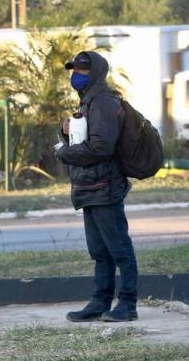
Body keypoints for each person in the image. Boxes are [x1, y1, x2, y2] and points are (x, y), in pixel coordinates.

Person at [55, 51, 139, 323]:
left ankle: (127, 304)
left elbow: (101, 147)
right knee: (100, 253)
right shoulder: (88, 101)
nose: (76, 75)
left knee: (119, 250)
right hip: (90, 188)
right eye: (74, 70)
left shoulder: (102, 101)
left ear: (96, 74)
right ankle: (99, 302)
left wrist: (64, 153)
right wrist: (67, 133)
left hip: (105, 186)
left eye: (82, 71)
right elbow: (88, 140)